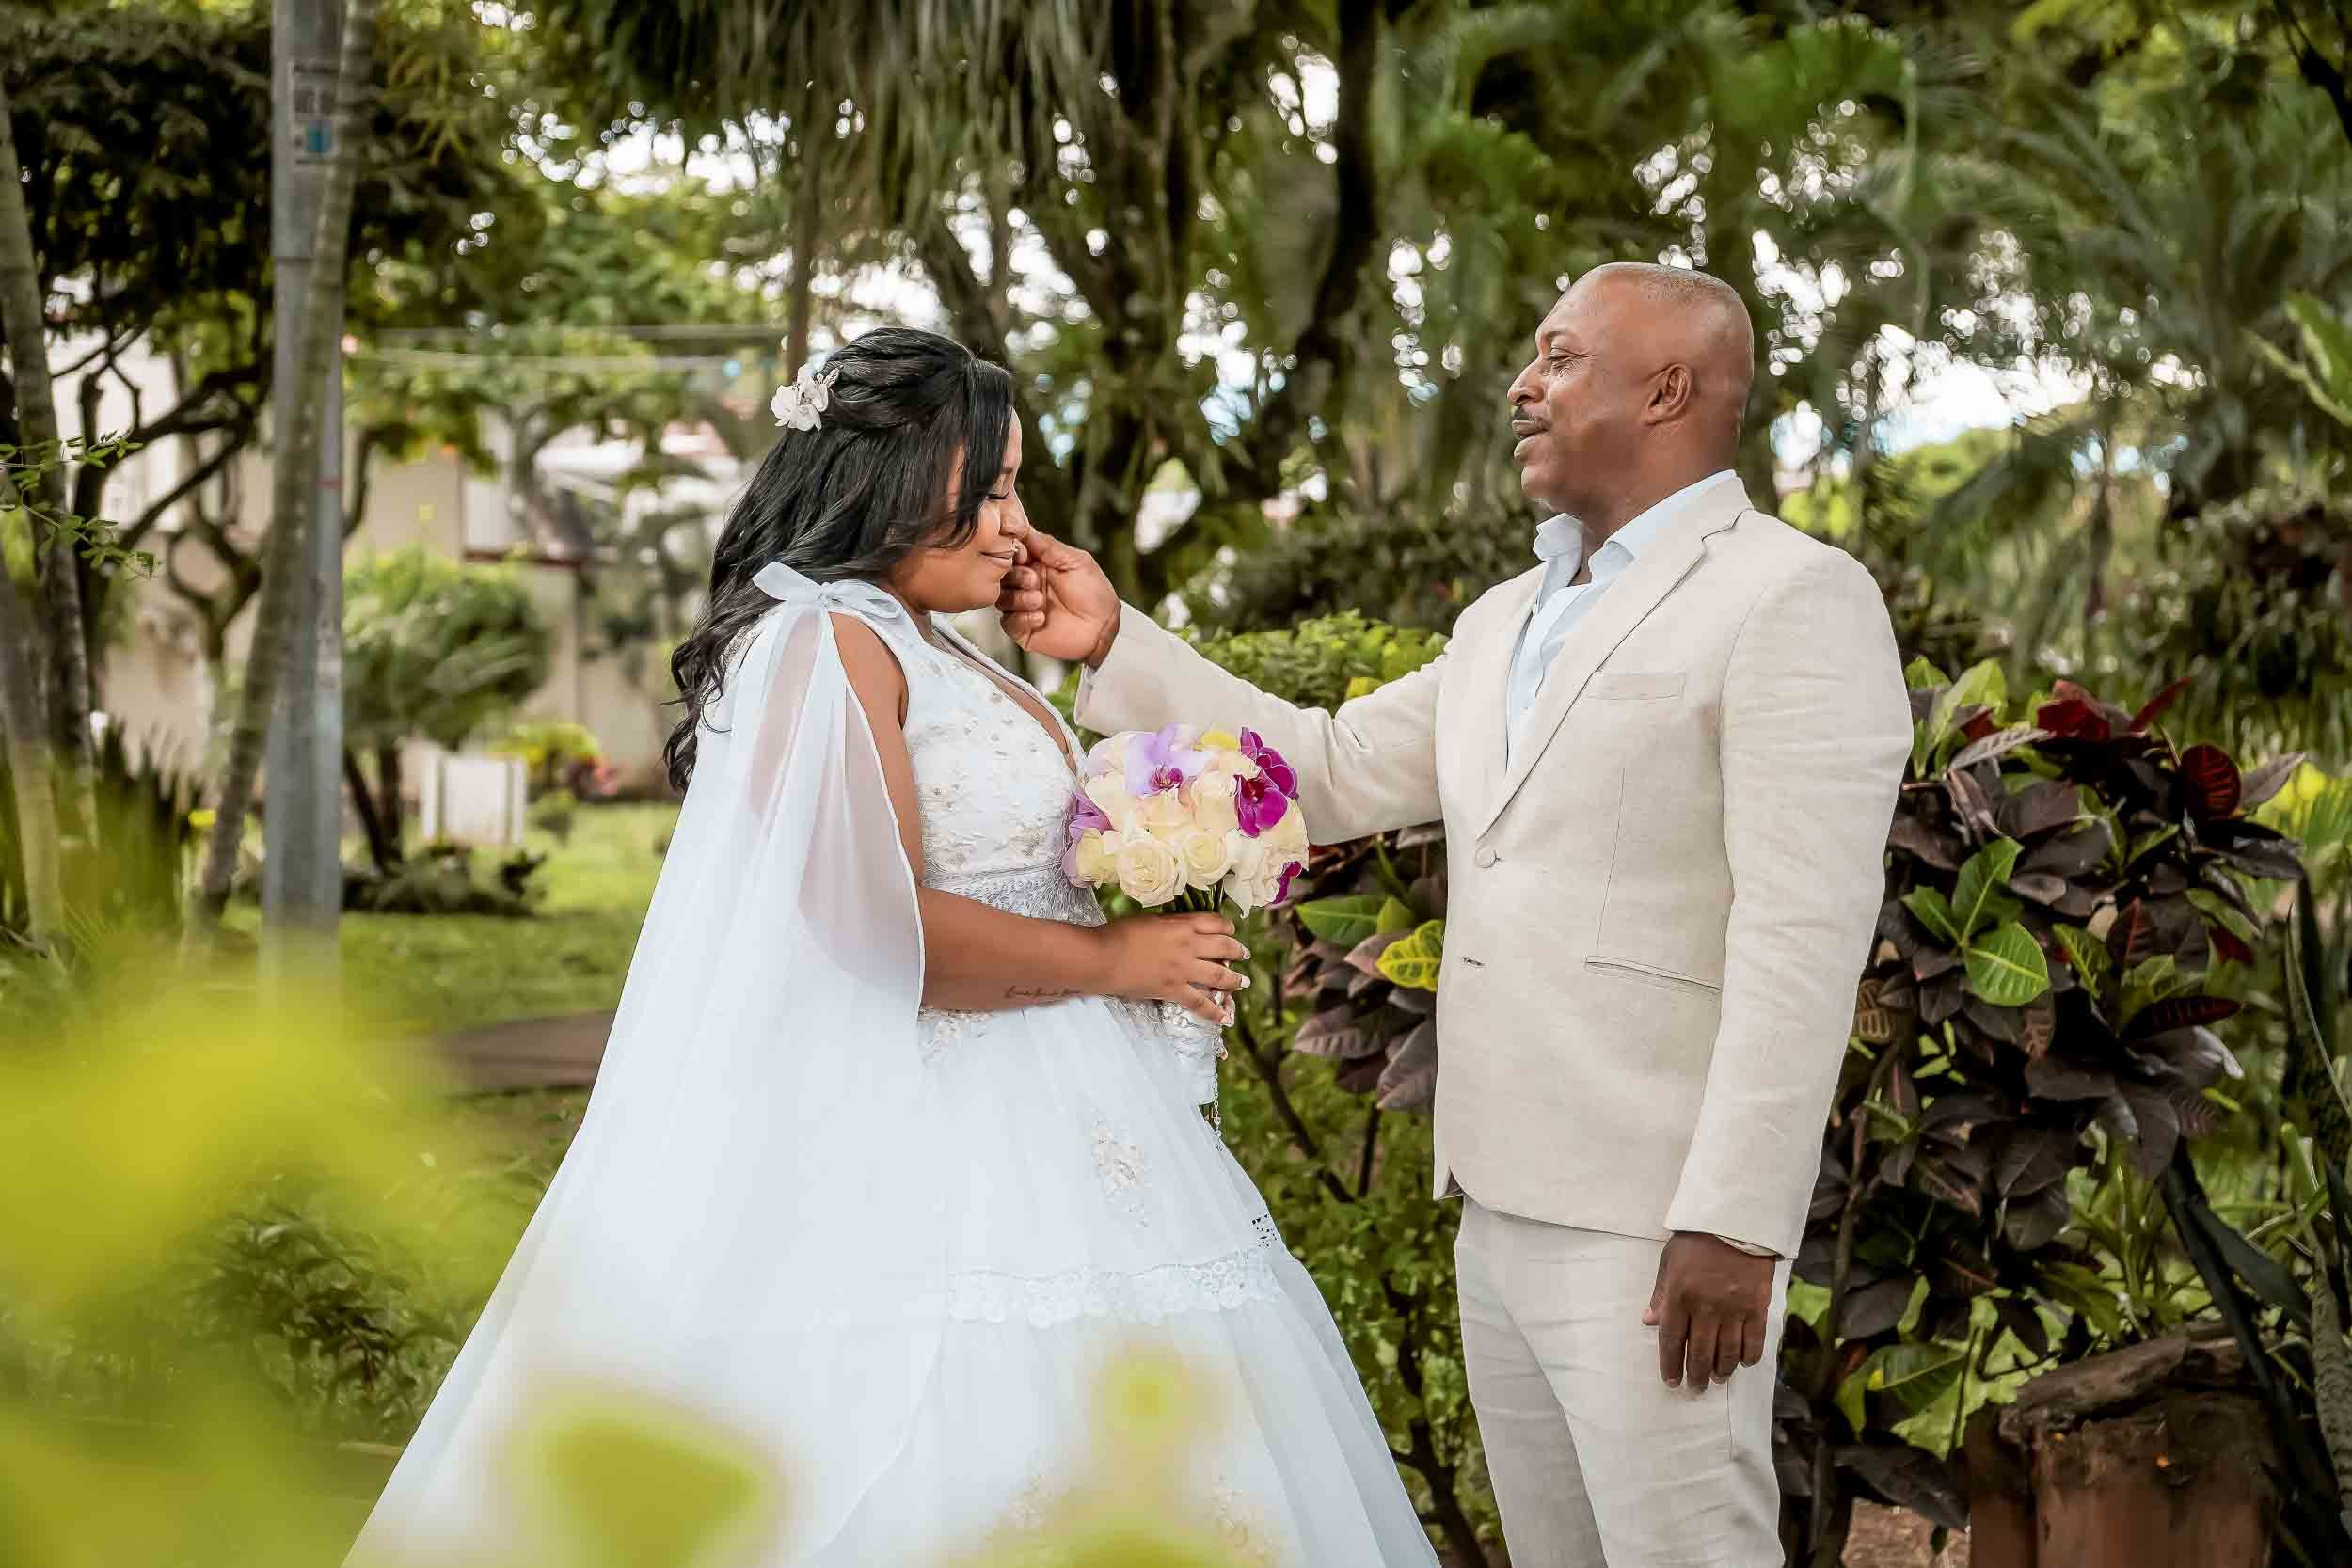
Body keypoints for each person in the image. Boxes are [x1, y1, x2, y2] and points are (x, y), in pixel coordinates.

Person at [346, 327, 1438, 1568]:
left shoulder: (922, 640)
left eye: (1017, 487)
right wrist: (1115, 963)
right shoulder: (827, 643)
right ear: (899, 487)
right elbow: (869, 929)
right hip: (936, 1123)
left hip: (1064, 1110)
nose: (1017, 526)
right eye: (994, 491)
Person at [1000, 263, 1912, 1568]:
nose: (1521, 387)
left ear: (1669, 387)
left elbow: (1803, 934)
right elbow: (1321, 768)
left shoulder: (1790, 598)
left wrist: (1737, 1219)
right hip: (1496, 1207)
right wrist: (1111, 644)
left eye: (1558, 358)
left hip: (1660, 1230)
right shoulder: (1506, 619)